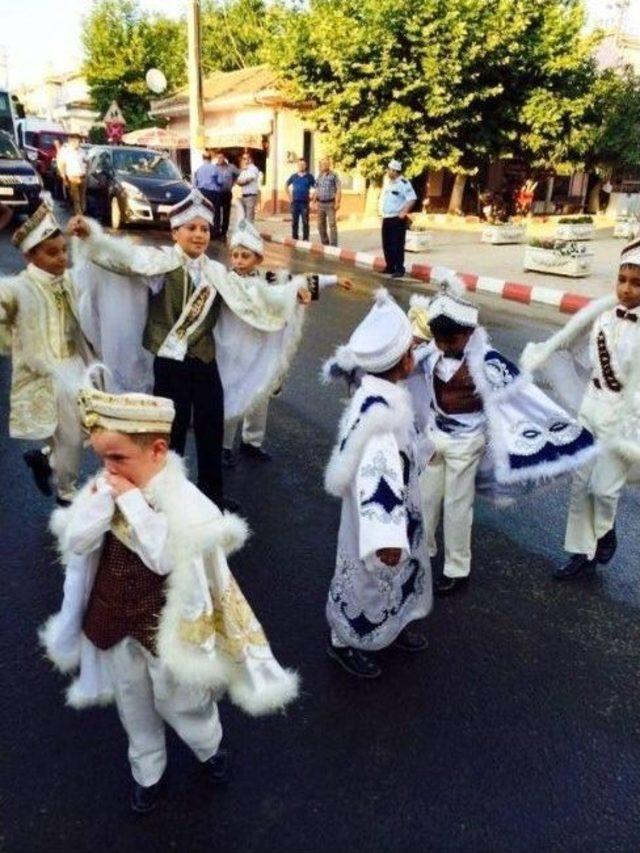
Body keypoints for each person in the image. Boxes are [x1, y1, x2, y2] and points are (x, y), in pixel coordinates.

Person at [40, 387, 298, 814]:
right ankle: (148, 771)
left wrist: (130, 504)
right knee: (133, 702)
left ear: (158, 449)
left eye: (119, 459)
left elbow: (163, 557)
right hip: (115, 619)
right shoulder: (107, 487)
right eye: (103, 459)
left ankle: (209, 747)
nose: (109, 470)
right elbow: (77, 541)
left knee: (181, 701)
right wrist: (100, 504)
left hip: (168, 629)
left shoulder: (185, 502)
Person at [68, 190, 314, 509]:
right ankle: (171, 496)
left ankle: (212, 494)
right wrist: (92, 236)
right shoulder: (161, 262)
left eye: (205, 229)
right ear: (175, 232)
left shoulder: (216, 272)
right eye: (191, 228)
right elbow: (123, 260)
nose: (199, 234)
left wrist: (294, 294)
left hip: (204, 360)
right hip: (171, 363)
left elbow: (256, 296)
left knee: (211, 428)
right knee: (173, 433)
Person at [408, 271, 597, 595]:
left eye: (450, 340)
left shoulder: (487, 363)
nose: (444, 346)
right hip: (435, 438)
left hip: (468, 441)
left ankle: (457, 570)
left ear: (468, 333)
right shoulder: (430, 355)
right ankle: (421, 557)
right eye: (438, 340)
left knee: (457, 506)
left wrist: (565, 432)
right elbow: (401, 371)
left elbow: (525, 398)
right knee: (423, 499)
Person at [322, 288, 432, 679]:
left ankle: (395, 626)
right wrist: (386, 536)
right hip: (377, 517)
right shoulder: (379, 417)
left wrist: (426, 449)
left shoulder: (378, 389)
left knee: (398, 576)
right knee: (365, 573)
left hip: (401, 502)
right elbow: (380, 475)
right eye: (410, 351)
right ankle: (344, 639)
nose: (414, 356)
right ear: (401, 361)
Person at [520, 239, 640, 581]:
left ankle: (605, 530)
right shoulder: (600, 314)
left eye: (637, 282)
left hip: (625, 419)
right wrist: (546, 354)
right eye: (623, 279)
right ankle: (580, 553)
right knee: (581, 483)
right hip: (592, 405)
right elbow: (569, 346)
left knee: (603, 490)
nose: (627, 289)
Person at [221, 218, 349, 467]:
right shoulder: (226, 281)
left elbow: (298, 283)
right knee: (233, 396)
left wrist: (333, 279)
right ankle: (224, 447)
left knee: (261, 394)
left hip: (261, 350)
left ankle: (252, 442)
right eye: (235, 255)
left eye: (245, 256)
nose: (238, 261)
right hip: (234, 351)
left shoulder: (270, 278)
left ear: (257, 259)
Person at [0, 198, 97, 504]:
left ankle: (45, 459)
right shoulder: (18, 287)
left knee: (85, 430)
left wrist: (87, 237)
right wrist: (10, 344)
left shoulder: (67, 280)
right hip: (43, 373)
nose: (61, 258)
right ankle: (67, 492)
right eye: (51, 253)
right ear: (30, 255)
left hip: (74, 365)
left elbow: (91, 275)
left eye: (63, 250)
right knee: (68, 437)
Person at [378, 159, 416, 279]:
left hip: (397, 218)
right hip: (387, 217)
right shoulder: (388, 182)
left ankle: (399, 269)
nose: (388, 172)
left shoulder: (404, 183)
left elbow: (412, 198)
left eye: (390, 170)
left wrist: (404, 212)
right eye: (388, 169)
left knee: (397, 245)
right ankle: (390, 266)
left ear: (395, 171)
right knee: (387, 244)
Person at [313, 157, 341, 246]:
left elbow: (338, 190)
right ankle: (325, 243)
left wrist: (337, 202)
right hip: (320, 204)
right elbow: (316, 189)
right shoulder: (319, 176)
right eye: (322, 164)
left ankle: (333, 245)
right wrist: (313, 201)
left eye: (326, 163)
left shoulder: (334, 175)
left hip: (330, 204)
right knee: (320, 225)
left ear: (329, 164)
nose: (324, 165)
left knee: (332, 225)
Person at [210, 152, 239, 238]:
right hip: (217, 193)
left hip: (227, 193)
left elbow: (238, 174)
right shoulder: (214, 168)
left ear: (224, 158)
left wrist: (234, 182)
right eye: (218, 157)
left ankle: (224, 231)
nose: (220, 159)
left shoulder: (231, 167)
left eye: (222, 157)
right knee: (217, 213)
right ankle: (217, 231)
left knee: (226, 213)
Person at [286, 158, 315, 241]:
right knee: (294, 221)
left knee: (305, 221)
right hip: (295, 203)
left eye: (303, 165)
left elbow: (316, 187)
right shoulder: (294, 176)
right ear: (297, 166)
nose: (301, 166)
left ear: (305, 166)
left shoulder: (309, 177)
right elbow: (286, 185)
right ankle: (295, 238)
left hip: (305, 203)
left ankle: (305, 239)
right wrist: (289, 197)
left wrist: (313, 200)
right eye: (299, 165)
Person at [60, 134, 88, 215]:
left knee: (82, 197)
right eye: (77, 141)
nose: (78, 143)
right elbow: (62, 165)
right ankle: (79, 215)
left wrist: (87, 171)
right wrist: (64, 177)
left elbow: (87, 161)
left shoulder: (82, 151)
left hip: (82, 177)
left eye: (79, 141)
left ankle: (81, 212)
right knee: (76, 198)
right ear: (72, 142)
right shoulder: (66, 152)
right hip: (72, 178)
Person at [236, 152, 262, 223]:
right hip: (244, 196)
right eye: (244, 159)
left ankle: (250, 233)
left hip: (251, 196)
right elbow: (238, 181)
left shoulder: (253, 169)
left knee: (249, 219)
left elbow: (249, 180)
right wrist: (241, 182)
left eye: (247, 158)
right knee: (243, 218)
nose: (245, 160)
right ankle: (244, 233)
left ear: (250, 159)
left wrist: (242, 182)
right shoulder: (244, 170)